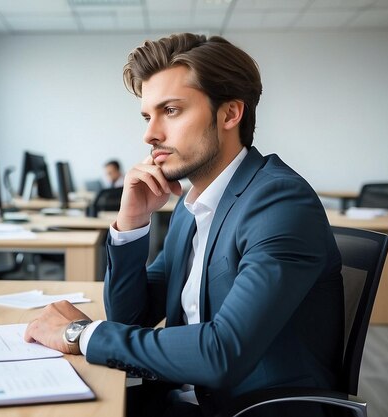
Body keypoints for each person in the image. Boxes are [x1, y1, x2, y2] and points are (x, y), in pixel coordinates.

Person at [25, 33, 344, 417]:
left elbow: (221, 352)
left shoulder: (279, 203)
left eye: (171, 111)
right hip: (180, 398)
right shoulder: (192, 205)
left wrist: (79, 334)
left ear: (229, 114)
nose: (150, 133)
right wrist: (132, 221)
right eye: (147, 116)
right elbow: (130, 317)